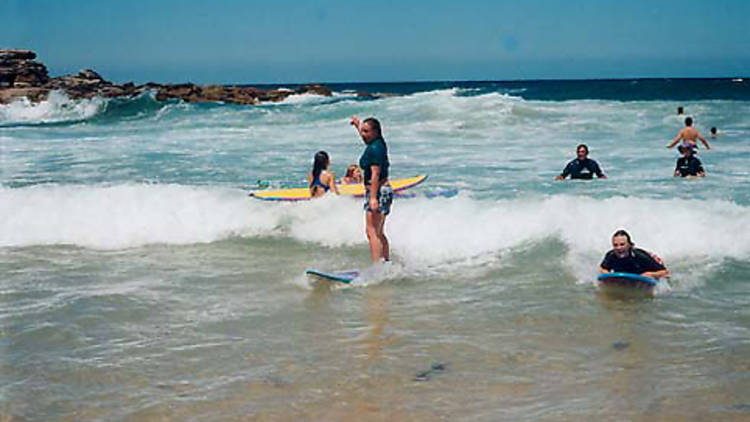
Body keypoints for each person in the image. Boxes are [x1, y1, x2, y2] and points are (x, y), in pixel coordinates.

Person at [350, 115, 393, 263]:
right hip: (385, 190)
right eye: (362, 131)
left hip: (378, 191)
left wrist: (373, 198)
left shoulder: (374, 149)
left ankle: (377, 268)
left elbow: (375, 174)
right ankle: (385, 262)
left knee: (371, 232)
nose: (363, 134)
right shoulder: (379, 144)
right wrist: (358, 125)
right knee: (379, 232)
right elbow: (367, 139)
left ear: (375, 132)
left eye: (366, 132)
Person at [599, 230, 669, 279]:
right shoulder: (611, 255)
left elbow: (665, 272)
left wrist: (651, 274)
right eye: (615, 245)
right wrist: (607, 274)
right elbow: (602, 268)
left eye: (622, 244)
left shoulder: (640, 257)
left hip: (647, 268)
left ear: (629, 245)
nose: (619, 248)